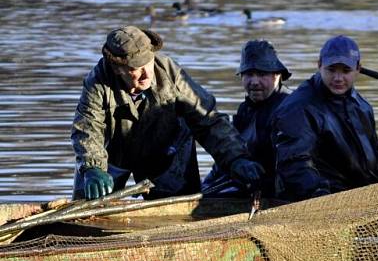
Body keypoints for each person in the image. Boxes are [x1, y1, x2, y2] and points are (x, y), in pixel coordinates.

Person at [71, 26, 265, 200]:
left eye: (148, 64)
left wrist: (237, 158)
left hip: (166, 150)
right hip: (113, 154)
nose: (147, 74)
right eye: (136, 69)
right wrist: (92, 166)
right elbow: (87, 128)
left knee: (178, 209)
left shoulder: (169, 72)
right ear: (118, 68)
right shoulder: (97, 82)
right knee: (87, 205)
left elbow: (208, 119)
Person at [271, 35, 378, 202]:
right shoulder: (299, 108)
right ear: (319, 66)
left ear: (358, 69)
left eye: (346, 71)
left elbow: (377, 156)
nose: (338, 78)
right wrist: (321, 195)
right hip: (322, 200)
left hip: (363, 195)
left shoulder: (362, 105)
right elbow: (293, 164)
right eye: (331, 70)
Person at [202, 39, 291, 197]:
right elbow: (229, 154)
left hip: (275, 190)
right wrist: (205, 186)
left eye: (262, 74)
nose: (254, 82)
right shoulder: (245, 109)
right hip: (243, 182)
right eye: (249, 74)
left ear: (277, 75)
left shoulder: (289, 109)